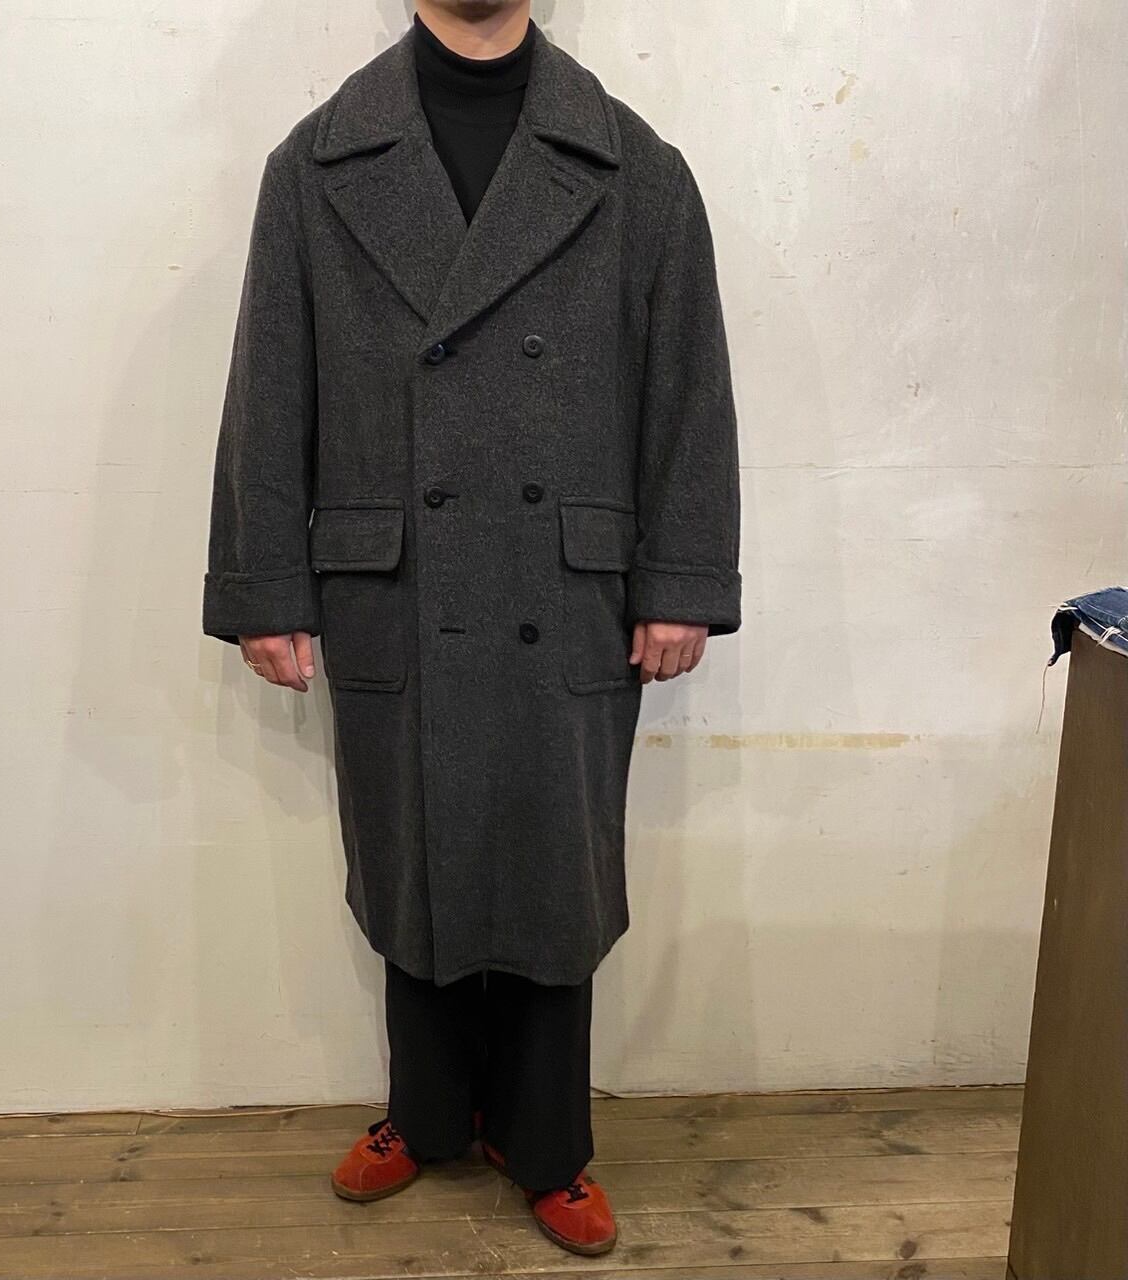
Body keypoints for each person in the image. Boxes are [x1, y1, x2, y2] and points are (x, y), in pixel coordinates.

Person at [201, 0, 741, 1257]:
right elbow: (269, 384)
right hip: (394, 578)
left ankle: (546, 1140)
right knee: (411, 843)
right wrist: (265, 585)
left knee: (555, 858)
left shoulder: (634, 164)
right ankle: (430, 1111)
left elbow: (687, 384)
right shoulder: (317, 163)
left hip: (567, 582)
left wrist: (678, 576)